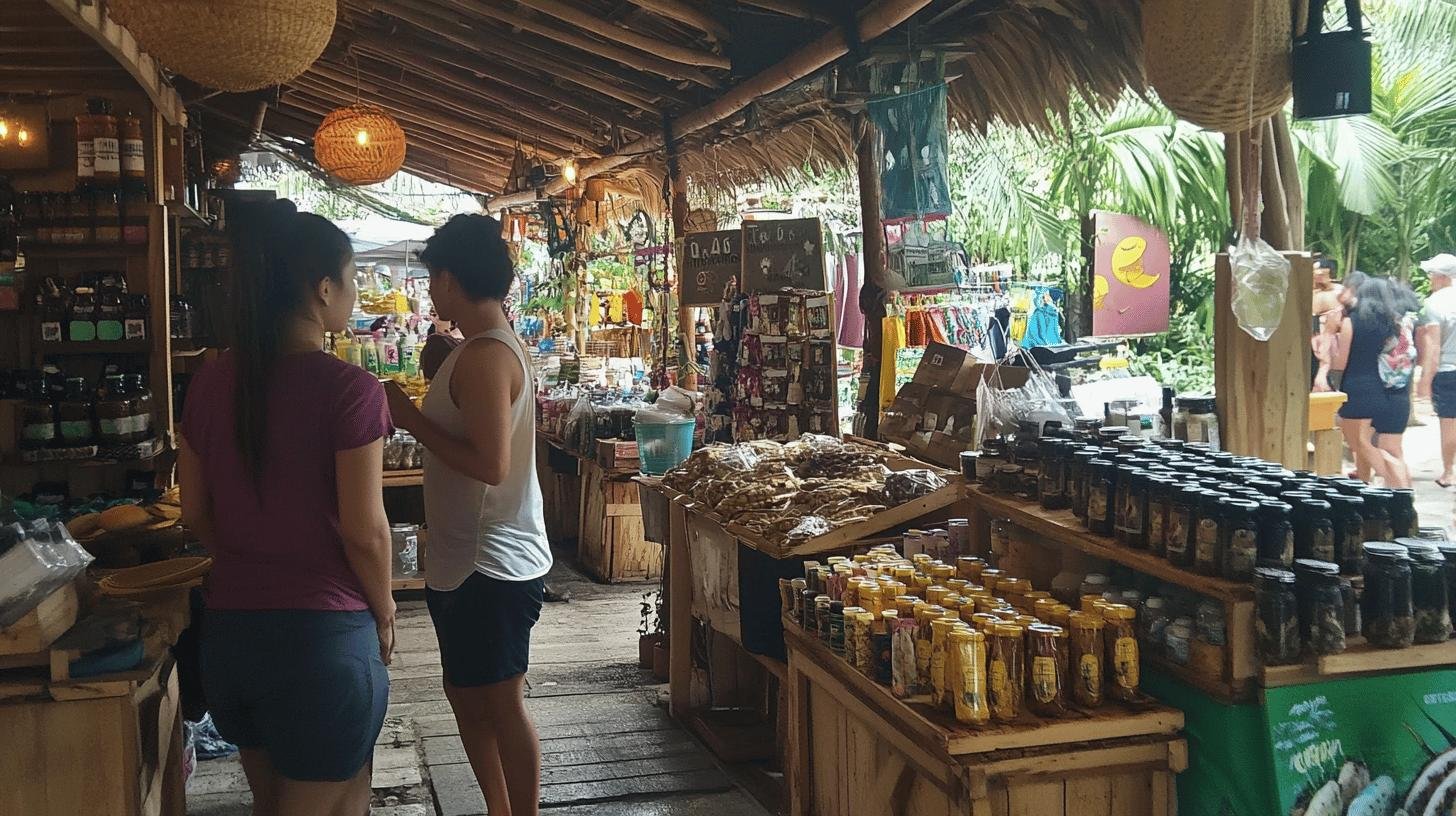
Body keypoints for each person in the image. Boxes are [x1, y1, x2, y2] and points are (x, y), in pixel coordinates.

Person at [178, 200, 395, 816]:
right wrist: (383, 612)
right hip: (323, 644)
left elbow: (195, 513)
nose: (353, 297)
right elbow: (365, 531)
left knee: (293, 801)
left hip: (231, 642)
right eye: (352, 282)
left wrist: (249, 558)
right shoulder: (351, 390)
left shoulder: (211, 383)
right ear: (324, 289)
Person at [385, 214, 550, 816]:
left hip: (492, 564)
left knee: (500, 700)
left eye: (432, 280)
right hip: (469, 560)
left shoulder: (484, 356)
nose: (430, 292)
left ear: (451, 279)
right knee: (464, 693)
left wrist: (411, 419)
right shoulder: (482, 350)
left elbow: (489, 465)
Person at [1335, 275, 1414, 488]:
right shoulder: (1393, 322)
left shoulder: (1353, 321)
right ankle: (1404, 492)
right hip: (1390, 389)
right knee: (1389, 450)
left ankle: (1397, 490)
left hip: (1357, 387)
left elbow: (1340, 362)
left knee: (1361, 444)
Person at [1416, 253, 1456, 487]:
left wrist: (1425, 378)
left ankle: (1449, 471)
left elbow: (1433, 346)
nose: (1430, 278)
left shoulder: (1434, 303)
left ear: (1442, 277)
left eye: (1431, 274)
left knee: (1449, 422)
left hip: (1448, 369)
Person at [1312, 258, 1344, 392]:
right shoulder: (1311, 293)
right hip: (1315, 339)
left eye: (1320, 272)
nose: (1316, 274)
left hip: (1337, 339)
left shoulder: (1340, 291)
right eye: (1314, 272)